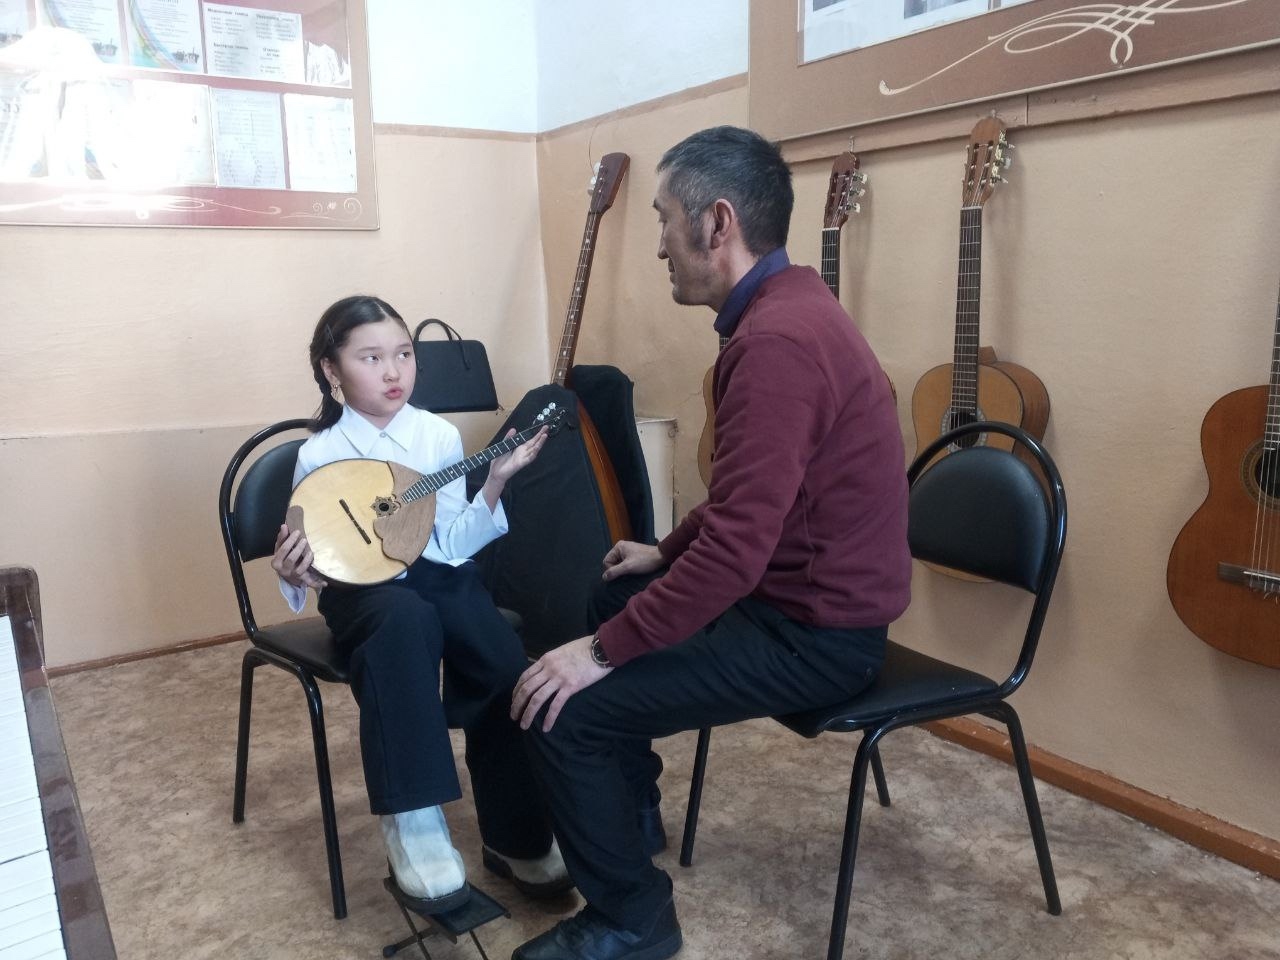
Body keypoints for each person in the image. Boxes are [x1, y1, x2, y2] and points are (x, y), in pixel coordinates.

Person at [508, 126, 912, 960]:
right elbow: (750, 502)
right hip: (792, 604)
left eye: (663, 219)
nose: (659, 244)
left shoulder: (777, 342)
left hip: (816, 638)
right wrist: (664, 551)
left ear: (716, 222)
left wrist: (600, 656)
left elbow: (735, 553)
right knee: (612, 588)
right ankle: (629, 819)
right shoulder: (786, 310)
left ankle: (633, 919)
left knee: (563, 709)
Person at [272, 294, 570, 911]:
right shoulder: (318, 454)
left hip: (435, 574)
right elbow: (314, 561)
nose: (393, 372)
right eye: (371, 358)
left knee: (495, 650)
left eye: (404, 354)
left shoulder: (437, 435)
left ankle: (516, 833)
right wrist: (296, 570)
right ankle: (414, 825)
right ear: (331, 370)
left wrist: (495, 481)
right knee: (402, 624)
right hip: (361, 593)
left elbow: (453, 543)